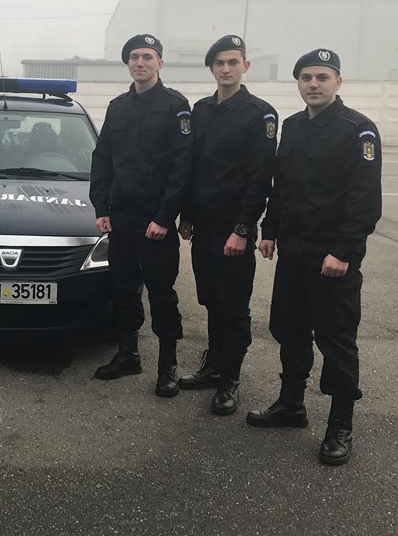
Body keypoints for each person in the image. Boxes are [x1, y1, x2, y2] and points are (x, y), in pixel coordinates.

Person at [247, 48, 382, 466]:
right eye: (306, 77)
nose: (313, 84)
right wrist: (270, 231)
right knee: (289, 329)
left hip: (332, 259)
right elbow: (282, 186)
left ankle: (340, 425)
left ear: (338, 81)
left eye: (322, 77)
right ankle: (291, 405)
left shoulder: (358, 129)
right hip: (294, 253)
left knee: (336, 341)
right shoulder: (292, 126)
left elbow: (364, 200)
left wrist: (343, 251)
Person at [177, 35, 277, 415]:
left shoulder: (260, 114)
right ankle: (214, 366)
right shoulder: (200, 110)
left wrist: (243, 229)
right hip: (204, 227)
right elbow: (193, 168)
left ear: (245, 66)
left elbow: (259, 177)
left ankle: (230, 378)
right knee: (211, 301)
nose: (226, 68)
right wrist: (187, 215)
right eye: (219, 63)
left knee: (234, 307)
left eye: (233, 62)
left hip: (234, 229)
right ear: (211, 68)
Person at [89, 34, 193, 397]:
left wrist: (165, 217)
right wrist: (101, 208)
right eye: (134, 57)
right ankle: (128, 355)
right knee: (124, 289)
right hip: (121, 219)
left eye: (148, 56)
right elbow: (102, 159)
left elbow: (182, 168)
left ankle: (168, 366)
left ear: (160, 63)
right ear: (128, 64)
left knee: (162, 294)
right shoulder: (117, 107)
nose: (140, 62)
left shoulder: (176, 106)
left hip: (155, 222)